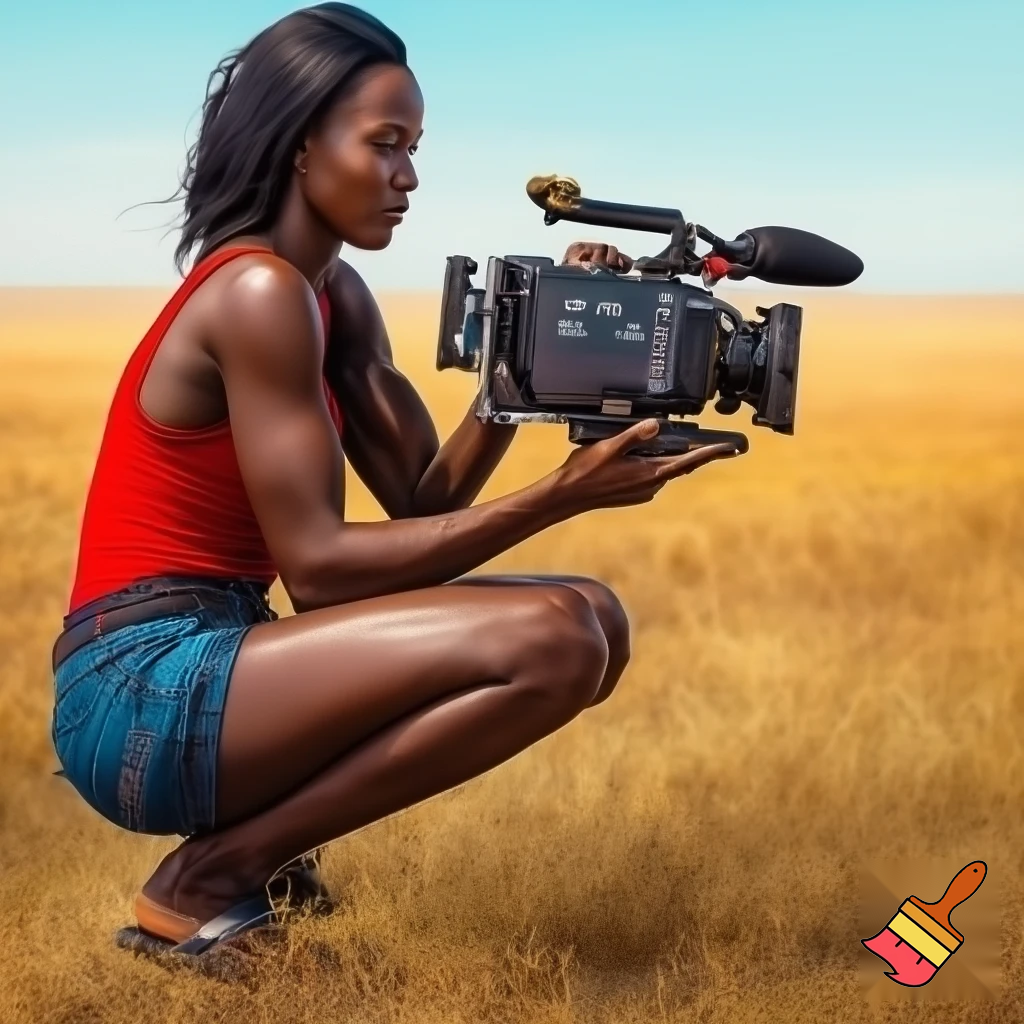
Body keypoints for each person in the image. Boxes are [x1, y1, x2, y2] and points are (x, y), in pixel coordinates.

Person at [49, 2, 742, 958]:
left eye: (414, 148)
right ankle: (215, 876)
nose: (407, 178)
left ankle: (250, 863)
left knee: (595, 621)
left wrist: (541, 347)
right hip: (138, 690)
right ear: (300, 145)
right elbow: (324, 573)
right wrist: (561, 494)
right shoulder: (258, 292)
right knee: (553, 638)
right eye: (385, 146)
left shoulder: (330, 294)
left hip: (217, 662)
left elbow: (424, 499)